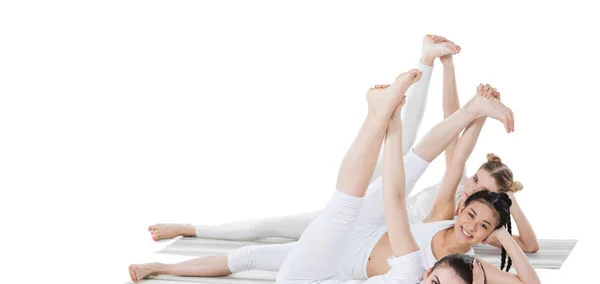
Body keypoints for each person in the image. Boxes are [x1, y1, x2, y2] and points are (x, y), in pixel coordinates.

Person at [30, 69, 526, 284]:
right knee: (344, 203)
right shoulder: (410, 273)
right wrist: (393, 128)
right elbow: (398, 197)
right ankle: (377, 113)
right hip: (323, 274)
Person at [148, 35, 539, 255]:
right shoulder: (457, 194)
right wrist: (452, 68)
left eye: (482, 191)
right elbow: (455, 142)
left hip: (371, 227)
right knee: (405, 136)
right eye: (474, 180)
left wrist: (512, 202)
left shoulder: (475, 224)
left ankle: (191, 229)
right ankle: (425, 61)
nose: (470, 189)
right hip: (381, 200)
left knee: (273, 228)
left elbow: (531, 246)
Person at [131, 84, 540, 284]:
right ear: (466, 203)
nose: (471, 225)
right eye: (473, 212)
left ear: (487, 235)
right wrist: (478, 114)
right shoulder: (443, 213)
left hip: (339, 260)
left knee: (251, 255)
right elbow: (453, 160)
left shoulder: (466, 264)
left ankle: (162, 267)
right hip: (371, 223)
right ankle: (464, 107)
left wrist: (504, 232)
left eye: (482, 226)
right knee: (413, 162)